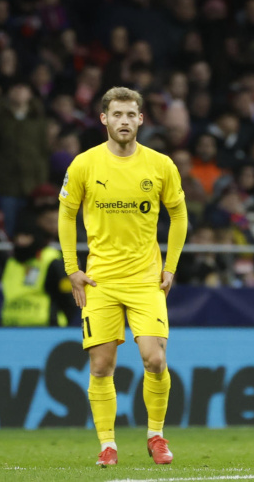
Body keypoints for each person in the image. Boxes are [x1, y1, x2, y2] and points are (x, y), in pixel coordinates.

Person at [58, 86, 187, 467]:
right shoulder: (84, 164)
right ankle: (107, 444)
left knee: (155, 360)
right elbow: (66, 215)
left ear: (141, 119)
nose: (124, 121)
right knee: (101, 366)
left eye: (131, 115)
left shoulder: (161, 165)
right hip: (100, 280)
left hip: (146, 279)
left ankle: (156, 436)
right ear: (104, 119)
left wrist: (171, 267)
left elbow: (179, 215)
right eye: (117, 115)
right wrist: (72, 269)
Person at [1, 215, 78, 327]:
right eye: (18, 236)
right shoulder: (12, 262)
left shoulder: (50, 259)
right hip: (11, 325)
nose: (21, 241)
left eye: (26, 236)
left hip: (46, 326)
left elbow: (67, 296)